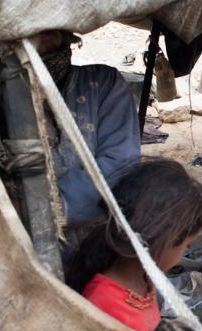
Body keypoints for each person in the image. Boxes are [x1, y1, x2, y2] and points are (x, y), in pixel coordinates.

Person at [65, 158, 202, 331]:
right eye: (187, 244)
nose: (184, 251)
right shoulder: (103, 302)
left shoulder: (144, 279)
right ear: (165, 239)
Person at [36, 31, 142, 227]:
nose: (36, 44)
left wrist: (51, 208)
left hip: (96, 236)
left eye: (43, 34)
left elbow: (122, 162)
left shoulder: (103, 83)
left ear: (65, 36)